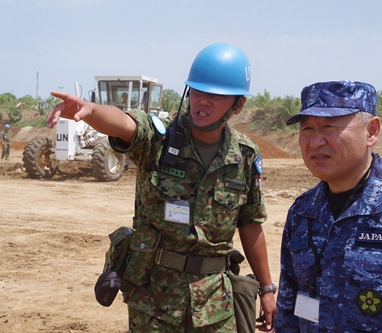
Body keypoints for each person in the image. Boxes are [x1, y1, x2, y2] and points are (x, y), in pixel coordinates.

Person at [47, 43, 276, 332]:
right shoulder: (160, 137)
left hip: (216, 304)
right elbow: (125, 124)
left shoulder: (244, 155)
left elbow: (251, 223)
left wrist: (267, 289)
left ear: (238, 105)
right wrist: (90, 110)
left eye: (216, 96)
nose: (203, 101)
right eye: (197, 91)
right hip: (154, 301)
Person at [275, 81, 382, 332]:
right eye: (307, 128)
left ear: (372, 131)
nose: (314, 142)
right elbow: (288, 310)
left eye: (329, 127)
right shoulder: (302, 212)